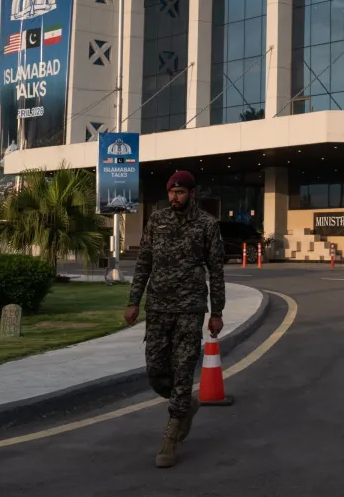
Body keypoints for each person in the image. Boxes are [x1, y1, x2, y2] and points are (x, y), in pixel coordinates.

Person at [124, 170, 227, 468]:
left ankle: (171, 436)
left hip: (190, 309)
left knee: (183, 370)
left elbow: (216, 271)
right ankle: (185, 405)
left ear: (191, 193)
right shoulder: (157, 221)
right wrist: (134, 301)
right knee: (155, 370)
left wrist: (217, 312)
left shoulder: (207, 224)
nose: (174, 197)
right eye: (171, 192)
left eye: (180, 192)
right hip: (158, 306)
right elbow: (144, 262)